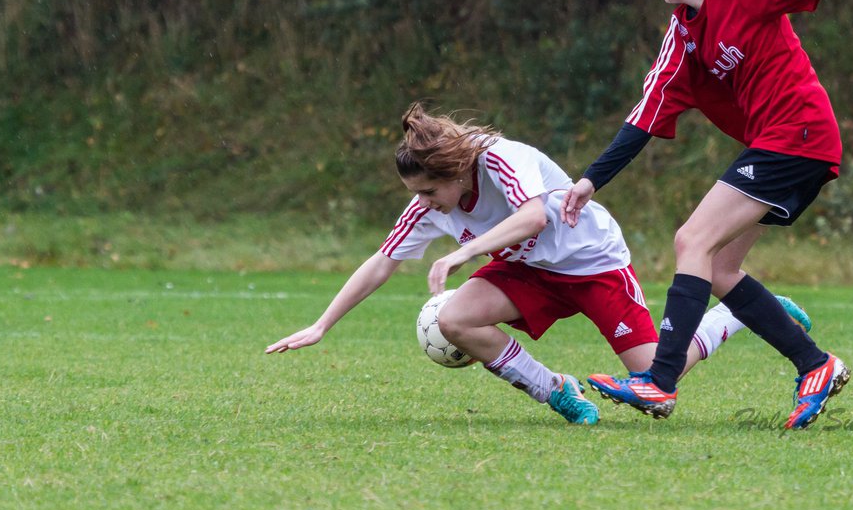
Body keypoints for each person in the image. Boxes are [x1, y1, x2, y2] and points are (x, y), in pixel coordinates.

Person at [562, 0, 853, 429]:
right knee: (715, 267)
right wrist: (590, 180)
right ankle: (816, 364)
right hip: (781, 144)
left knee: (691, 241)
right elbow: (645, 115)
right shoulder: (682, 36)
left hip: (798, 135)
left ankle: (660, 381)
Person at [267, 102, 812, 426]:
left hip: (590, 261)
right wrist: (322, 324)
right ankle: (557, 391)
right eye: (417, 194)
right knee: (454, 318)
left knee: (652, 380)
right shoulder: (428, 205)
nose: (424, 203)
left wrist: (465, 251)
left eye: (431, 191)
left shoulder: (502, 157)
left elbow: (532, 217)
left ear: (457, 172)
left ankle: (738, 316)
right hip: (525, 272)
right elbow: (381, 263)